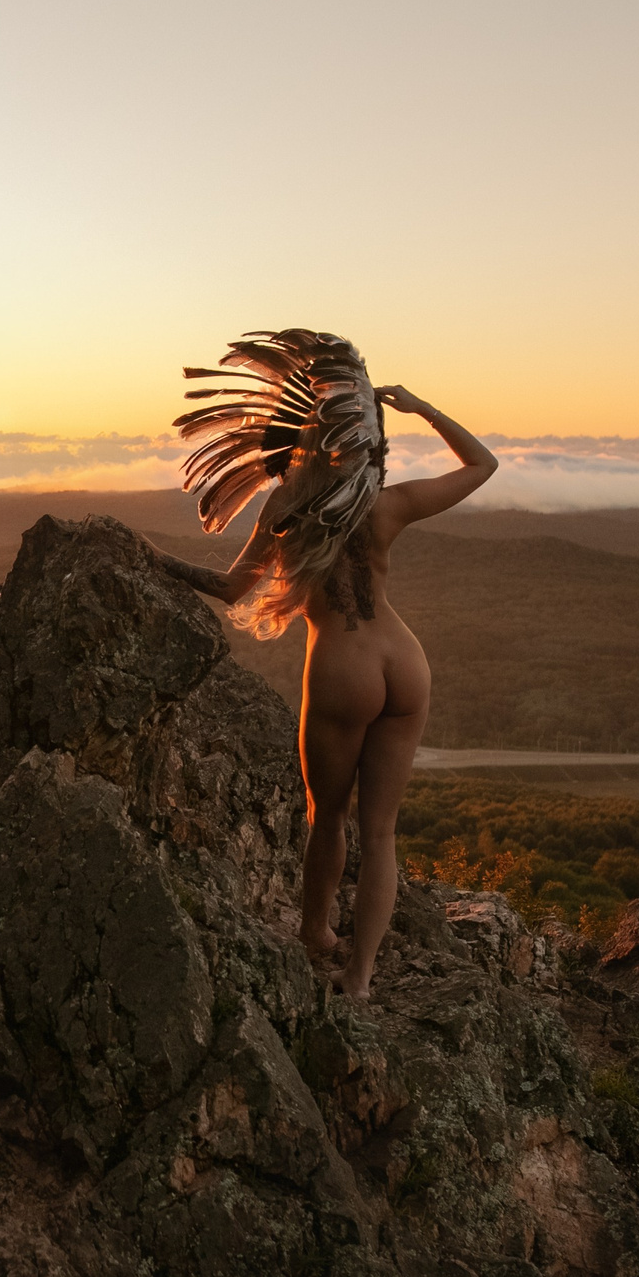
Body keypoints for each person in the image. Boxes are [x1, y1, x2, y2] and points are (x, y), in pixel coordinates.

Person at [150, 330, 495, 1000]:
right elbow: (482, 465)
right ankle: (360, 976)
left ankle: (315, 933)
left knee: (328, 817)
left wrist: (151, 560)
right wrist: (424, 407)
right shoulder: (386, 503)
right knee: (383, 830)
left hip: (343, 668)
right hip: (405, 660)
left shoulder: (287, 504)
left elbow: (229, 590)